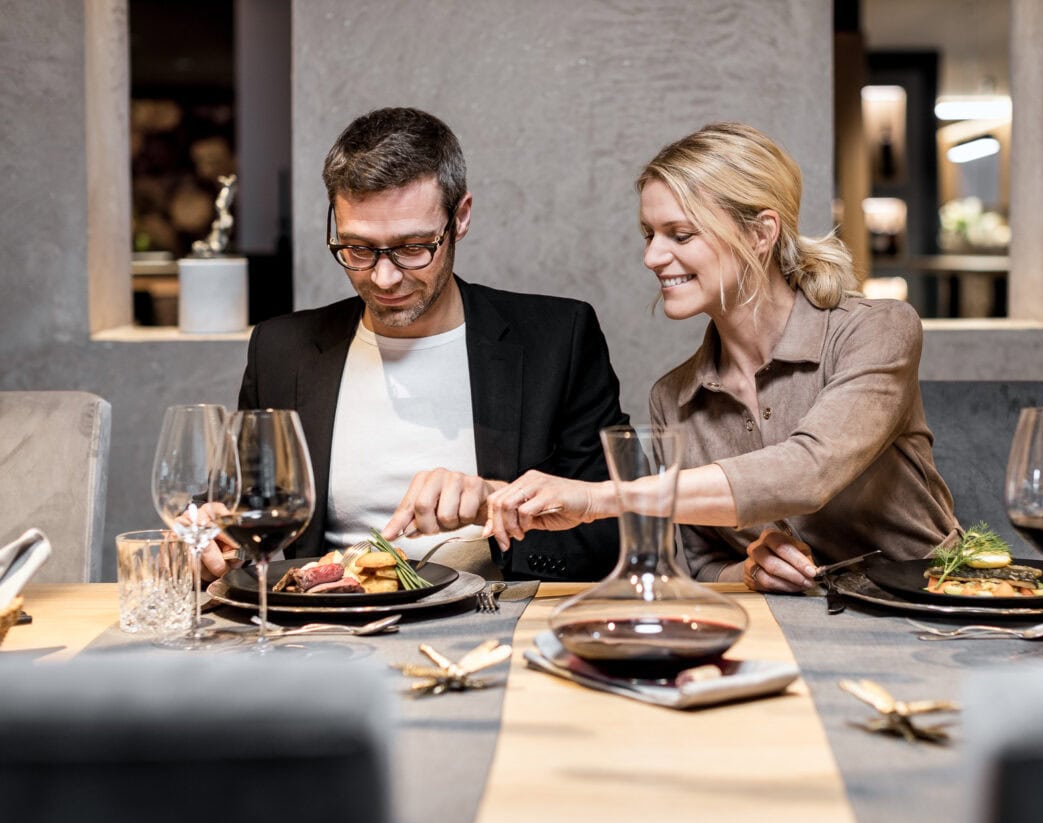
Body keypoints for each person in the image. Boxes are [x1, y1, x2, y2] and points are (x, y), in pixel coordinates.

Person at [483, 122, 959, 592]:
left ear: (760, 233)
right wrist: (750, 572)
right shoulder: (674, 396)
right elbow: (699, 562)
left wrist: (595, 498)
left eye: (680, 234)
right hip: (793, 630)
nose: (652, 257)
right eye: (649, 234)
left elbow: (808, 471)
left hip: (932, 612)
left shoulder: (877, 329)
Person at [204, 107, 627, 582]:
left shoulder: (557, 338)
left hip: (492, 622)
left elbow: (614, 532)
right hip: (331, 625)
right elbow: (241, 513)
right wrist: (211, 541)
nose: (384, 278)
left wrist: (493, 503)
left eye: (412, 248)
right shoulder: (282, 349)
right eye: (358, 249)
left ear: (460, 217)